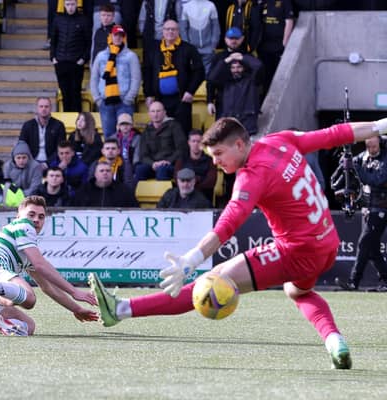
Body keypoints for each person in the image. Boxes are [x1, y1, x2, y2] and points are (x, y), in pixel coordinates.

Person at [89, 116, 387, 370]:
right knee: (297, 291)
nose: (216, 162)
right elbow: (334, 135)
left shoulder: (251, 175)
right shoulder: (280, 140)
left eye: (219, 154)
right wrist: (378, 125)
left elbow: (229, 222)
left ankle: (121, 309)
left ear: (239, 145)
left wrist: (191, 259)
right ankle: (335, 341)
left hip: (296, 251)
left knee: (209, 283)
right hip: (329, 242)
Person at [0, 195, 98, 336]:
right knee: (29, 298)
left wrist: (76, 309)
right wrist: (74, 291)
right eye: (31, 214)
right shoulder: (23, 225)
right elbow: (40, 264)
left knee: (28, 327)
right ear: (18, 215)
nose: (36, 220)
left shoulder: (24, 246)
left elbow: (48, 287)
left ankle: (2, 321)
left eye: (41, 216)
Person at [335, 136, 387, 292]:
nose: (371, 150)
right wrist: (345, 161)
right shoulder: (364, 157)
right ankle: (386, 279)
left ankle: (353, 281)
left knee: (364, 243)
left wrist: (356, 169)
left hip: (381, 208)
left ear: (380, 144)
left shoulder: (385, 159)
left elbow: (377, 180)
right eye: (369, 146)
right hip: (367, 208)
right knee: (372, 249)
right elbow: (350, 163)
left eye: (374, 146)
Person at [143, 19, 205, 135]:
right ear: (162, 31)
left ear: (178, 31)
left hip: (181, 99)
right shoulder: (154, 50)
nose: (170, 32)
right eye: (167, 29)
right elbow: (147, 72)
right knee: (162, 133)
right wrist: (148, 94)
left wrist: (190, 91)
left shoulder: (188, 49)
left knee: (182, 132)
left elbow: (199, 72)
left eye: (173, 29)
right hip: (160, 99)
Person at [90, 24, 141, 138]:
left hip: (124, 102)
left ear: (124, 37)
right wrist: (97, 99)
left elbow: (136, 78)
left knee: (126, 136)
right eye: (115, 35)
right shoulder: (101, 56)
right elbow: (94, 78)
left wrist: (129, 98)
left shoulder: (131, 56)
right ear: (111, 36)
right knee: (109, 136)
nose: (118, 38)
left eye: (120, 35)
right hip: (105, 102)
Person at [207, 52, 264, 136]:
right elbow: (211, 78)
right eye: (233, 68)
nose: (236, 70)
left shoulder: (252, 80)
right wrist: (227, 60)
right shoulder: (225, 81)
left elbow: (258, 66)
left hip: (247, 126)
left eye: (239, 67)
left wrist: (242, 57)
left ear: (244, 68)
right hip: (229, 126)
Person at [50, 0, 90, 112]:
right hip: (61, 62)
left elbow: (88, 42)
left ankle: (77, 122)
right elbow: (54, 40)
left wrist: (83, 59)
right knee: (64, 93)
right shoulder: (58, 19)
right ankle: (67, 120)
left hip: (76, 63)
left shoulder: (83, 20)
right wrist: (53, 57)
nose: (70, 7)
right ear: (64, 5)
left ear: (77, 4)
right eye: (68, 5)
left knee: (75, 92)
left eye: (72, 4)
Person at [134, 101, 186, 181]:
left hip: (171, 164)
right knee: (139, 169)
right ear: (149, 114)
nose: (155, 114)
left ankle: (165, 193)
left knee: (162, 170)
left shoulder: (174, 126)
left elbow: (181, 149)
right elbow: (143, 155)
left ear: (164, 112)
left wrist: (168, 161)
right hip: (153, 165)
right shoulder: (146, 131)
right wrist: (152, 163)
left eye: (158, 111)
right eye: (153, 111)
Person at [257, 0, 294, 95]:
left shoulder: (285, 2)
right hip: (264, 47)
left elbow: (289, 21)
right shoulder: (263, 3)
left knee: (278, 76)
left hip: (278, 46)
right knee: (266, 77)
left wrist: (285, 43)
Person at [18, 97, 67, 167]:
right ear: (37, 108)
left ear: (51, 109)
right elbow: (22, 146)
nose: (44, 109)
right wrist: (32, 162)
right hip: (31, 162)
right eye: (41, 106)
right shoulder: (28, 125)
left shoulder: (59, 125)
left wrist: (47, 163)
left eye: (46, 106)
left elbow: (60, 148)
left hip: (52, 162)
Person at [72, 160, 138, 207]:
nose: (105, 173)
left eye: (108, 171)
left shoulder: (124, 191)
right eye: (101, 171)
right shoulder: (84, 190)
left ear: (112, 174)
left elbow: (135, 211)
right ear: (95, 174)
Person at [178, 0, 221, 73]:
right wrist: (187, 47)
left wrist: (213, 45)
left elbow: (216, 27)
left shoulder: (210, 5)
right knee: (194, 74)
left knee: (208, 76)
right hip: (193, 49)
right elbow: (183, 29)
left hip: (208, 49)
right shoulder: (186, 7)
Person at [175, 129, 216, 201]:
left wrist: (190, 183)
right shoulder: (181, 159)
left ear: (203, 144)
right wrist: (198, 179)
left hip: (204, 199)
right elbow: (177, 178)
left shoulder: (210, 160)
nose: (196, 144)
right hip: (185, 198)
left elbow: (211, 182)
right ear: (189, 143)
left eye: (199, 141)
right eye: (193, 141)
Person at [114, 112, 140, 188]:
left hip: (131, 165)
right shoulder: (112, 138)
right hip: (116, 165)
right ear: (118, 126)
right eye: (122, 124)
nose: (125, 126)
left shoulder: (137, 138)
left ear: (131, 125)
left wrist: (133, 167)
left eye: (127, 124)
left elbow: (137, 157)